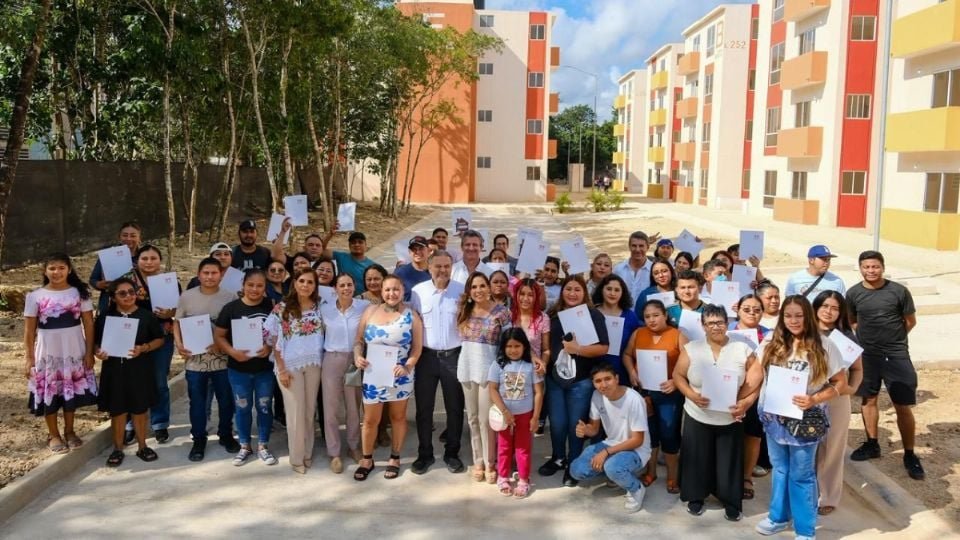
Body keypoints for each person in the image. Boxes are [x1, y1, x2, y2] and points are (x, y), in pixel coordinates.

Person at [755, 295, 847, 540]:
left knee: (802, 473)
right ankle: (778, 517)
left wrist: (815, 399)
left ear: (808, 315)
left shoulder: (825, 346)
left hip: (805, 421)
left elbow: (840, 382)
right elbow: (756, 377)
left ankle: (805, 530)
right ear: (781, 318)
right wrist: (743, 402)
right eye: (788, 315)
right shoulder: (770, 345)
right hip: (774, 419)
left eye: (799, 315)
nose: (793, 320)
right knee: (780, 469)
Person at [673, 305, 763, 522]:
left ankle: (730, 501)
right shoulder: (692, 348)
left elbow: (757, 376)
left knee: (728, 462)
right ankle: (696, 497)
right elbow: (678, 375)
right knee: (697, 459)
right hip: (697, 413)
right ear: (703, 326)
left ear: (727, 323)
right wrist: (692, 396)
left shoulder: (742, 348)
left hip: (729, 417)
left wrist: (745, 401)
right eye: (711, 323)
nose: (716, 327)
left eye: (720, 322)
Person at [846, 250, 923, 480]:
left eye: (875, 267)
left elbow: (910, 321)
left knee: (902, 403)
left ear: (883, 267)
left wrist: (894, 339)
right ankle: (872, 444)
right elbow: (853, 322)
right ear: (860, 268)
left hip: (896, 354)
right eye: (866, 267)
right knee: (868, 399)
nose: (871, 271)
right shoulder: (853, 293)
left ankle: (909, 454)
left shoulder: (899, 291)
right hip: (867, 355)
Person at [540, 276, 610, 487]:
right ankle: (558, 457)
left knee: (575, 424)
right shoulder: (553, 316)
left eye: (577, 289)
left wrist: (577, 349)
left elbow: (603, 347)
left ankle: (574, 462)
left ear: (584, 293)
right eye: (568, 289)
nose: (572, 293)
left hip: (581, 381)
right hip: (556, 380)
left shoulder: (593, 315)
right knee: (558, 423)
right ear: (562, 292)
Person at [24, 254, 98, 454]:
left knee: (69, 390)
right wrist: (29, 358)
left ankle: (70, 431)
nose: (57, 272)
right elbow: (30, 331)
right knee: (50, 390)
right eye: (52, 268)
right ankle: (53, 434)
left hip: (73, 350)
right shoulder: (35, 296)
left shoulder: (79, 294)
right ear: (44, 271)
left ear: (69, 270)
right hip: (47, 353)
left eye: (61, 268)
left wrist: (89, 352)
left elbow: (89, 325)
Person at [353, 275, 423, 481]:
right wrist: (358, 356)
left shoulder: (412, 315)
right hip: (373, 375)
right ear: (381, 292)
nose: (391, 294)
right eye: (387, 290)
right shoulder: (369, 311)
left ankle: (395, 457)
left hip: (400, 376)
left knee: (398, 417)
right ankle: (367, 459)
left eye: (396, 290)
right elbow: (358, 341)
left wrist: (408, 366)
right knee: (370, 420)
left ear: (402, 291)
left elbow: (417, 348)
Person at [173, 257, 240, 462]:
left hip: (222, 359)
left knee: (226, 400)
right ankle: (199, 439)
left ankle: (226, 434)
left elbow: (235, 327)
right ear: (199, 274)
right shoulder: (187, 297)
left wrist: (224, 345)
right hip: (195, 361)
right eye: (206, 273)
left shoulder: (230, 297)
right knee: (198, 402)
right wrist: (179, 344)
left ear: (221, 275)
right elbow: (177, 322)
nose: (210, 277)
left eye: (214, 273)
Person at [94, 277, 163, 466]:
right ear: (113, 297)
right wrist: (98, 352)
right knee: (118, 410)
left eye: (131, 292)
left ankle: (143, 446)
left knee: (140, 408)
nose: (128, 296)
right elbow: (95, 343)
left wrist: (144, 347)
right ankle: (117, 449)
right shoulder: (105, 317)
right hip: (114, 369)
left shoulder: (146, 315)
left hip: (139, 368)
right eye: (122, 293)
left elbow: (160, 339)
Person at [410, 250, 467, 475]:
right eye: (438, 266)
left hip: (454, 356)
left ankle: (452, 452)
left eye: (447, 266)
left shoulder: (461, 291)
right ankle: (425, 454)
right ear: (429, 267)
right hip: (426, 357)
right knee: (424, 409)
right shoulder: (418, 292)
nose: (443, 270)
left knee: (455, 408)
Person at [214, 269, 277, 467]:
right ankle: (244, 445)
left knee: (265, 407)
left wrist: (269, 347)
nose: (254, 289)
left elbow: (278, 333)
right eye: (251, 285)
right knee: (242, 407)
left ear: (265, 288)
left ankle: (263, 445)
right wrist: (232, 352)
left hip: (264, 369)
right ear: (243, 285)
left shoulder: (271, 307)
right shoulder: (230, 309)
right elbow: (219, 336)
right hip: (238, 369)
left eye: (259, 286)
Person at [569, 363, 651, 513]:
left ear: (617, 378)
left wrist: (606, 453)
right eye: (598, 381)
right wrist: (585, 430)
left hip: (636, 450)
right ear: (593, 384)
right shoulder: (597, 396)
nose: (603, 385)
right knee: (576, 470)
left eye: (608, 379)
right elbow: (594, 429)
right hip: (611, 443)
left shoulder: (634, 399)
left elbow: (637, 440)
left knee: (613, 467)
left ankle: (636, 488)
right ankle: (615, 475)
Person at [264, 268, 324, 474]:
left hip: (314, 364)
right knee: (295, 413)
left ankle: (308, 452)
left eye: (310, 282)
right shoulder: (282, 308)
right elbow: (273, 340)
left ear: (315, 286)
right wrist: (281, 369)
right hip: (289, 366)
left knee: (309, 411)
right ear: (295, 283)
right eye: (302, 281)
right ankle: (296, 457)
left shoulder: (320, 307)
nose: (305, 285)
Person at [622, 300, 683, 493]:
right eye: (647, 316)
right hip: (644, 392)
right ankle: (651, 471)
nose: (651, 320)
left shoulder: (678, 335)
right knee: (650, 433)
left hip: (668, 393)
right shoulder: (638, 333)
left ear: (665, 315)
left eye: (656, 315)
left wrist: (675, 381)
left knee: (669, 433)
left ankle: (673, 476)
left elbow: (690, 363)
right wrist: (631, 371)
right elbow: (626, 354)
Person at [457, 271, 512, 483]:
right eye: (474, 287)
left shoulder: (502, 312)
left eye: (482, 286)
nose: (478, 290)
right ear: (469, 292)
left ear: (489, 288)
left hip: (489, 371)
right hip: (467, 368)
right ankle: (477, 460)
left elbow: (508, 344)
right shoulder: (465, 310)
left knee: (486, 420)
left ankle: (491, 462)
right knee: (471, 418)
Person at [813, 290, 863, 514]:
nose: (829, 311)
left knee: (832, 448)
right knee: (805, 448)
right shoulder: (803, 331)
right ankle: (806, 493)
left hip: (837, 399)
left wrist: (850, 389)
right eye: (825, 306)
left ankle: (828, 497)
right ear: (816, 307)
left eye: (834, 308)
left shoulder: (845, 337)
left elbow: (857, 369)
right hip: (808, 396)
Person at [128, 244, 179, 444]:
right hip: (133, 338)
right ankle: (131, 424)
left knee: (159, 382)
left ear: (160, 260)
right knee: (132, 382)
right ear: (137, 260)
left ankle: (160, 424)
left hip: (162, 337)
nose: (149, 262)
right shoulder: (127, 281)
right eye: (144, 258)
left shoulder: (169, 281)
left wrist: (170, 314)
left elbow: (180, 307)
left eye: (153, 258)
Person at [319, 273, 369, 472]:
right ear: (335, 289)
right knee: (330, 409)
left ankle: (354, 446)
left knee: (353, 407)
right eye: (342, 285)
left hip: (354, 360)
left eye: (349, 284)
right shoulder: (325, 310)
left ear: (354, 287)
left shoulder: (363, 307)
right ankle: (334, 452)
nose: (346, 288)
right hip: (332, 359)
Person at [488, 329, 544, 498]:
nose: (513, 350)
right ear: (503, 348)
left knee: (523, 447)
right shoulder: (497, 365)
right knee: (504, 446)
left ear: (524, 346)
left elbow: (539, 392)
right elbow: (492, 389)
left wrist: (535, 418)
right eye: (509, 346)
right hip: (504, 416)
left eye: (517, 346)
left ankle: (524, 480)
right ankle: (503, 477)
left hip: (525, 415)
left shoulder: (530, 367)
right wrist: (505, 412)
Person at [729, 293, 773, 497]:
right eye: (747, 309)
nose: (752, 313)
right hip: (730, 390)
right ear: (738, 310)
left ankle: (747, 476)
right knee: (729, 434)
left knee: (753, 434)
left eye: (757, 310)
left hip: (759, 392)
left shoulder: (771, 335)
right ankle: (729, 473)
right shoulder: (727, 331)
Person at [592, 274, 641, 383]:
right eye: (609, 289)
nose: (612, 293)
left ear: (622, 293)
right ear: (602, 290)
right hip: (593, 371)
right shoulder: (592, 313)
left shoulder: (630, 316)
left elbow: (636, 345)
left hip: (622, 371)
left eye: (617, 290)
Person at [89, 221, 142, 313]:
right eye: (125, 235)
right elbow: (93, 279)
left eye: (133, 236)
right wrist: (99, 284)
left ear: (139, 238)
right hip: (110, 304)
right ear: (119, 237)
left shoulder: (145, 257)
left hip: (139, 304)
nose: (128, 238)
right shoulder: (108, 255)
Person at [320, 228, 375, 295]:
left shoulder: (372, 265)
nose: (357, 244)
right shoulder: (341, 257)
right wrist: (330, 235)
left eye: (360, 242)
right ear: (349, 246)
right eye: (353, 242)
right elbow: (321, 250)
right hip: (343, 297)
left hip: (363, 301)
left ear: (365, 245)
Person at [614, 231, 655, 302]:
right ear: (629, 247)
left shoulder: (654, 270)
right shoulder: (618, 269)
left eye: (641, 246)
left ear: (647, 247)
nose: (637, 250)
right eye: (634, 246)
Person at [395, 236, 431, 300]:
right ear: (409, 252)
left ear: (428, 250)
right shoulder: (400, 273)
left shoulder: (436, 271)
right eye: (414, 249)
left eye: (421, 248)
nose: (417, 252)